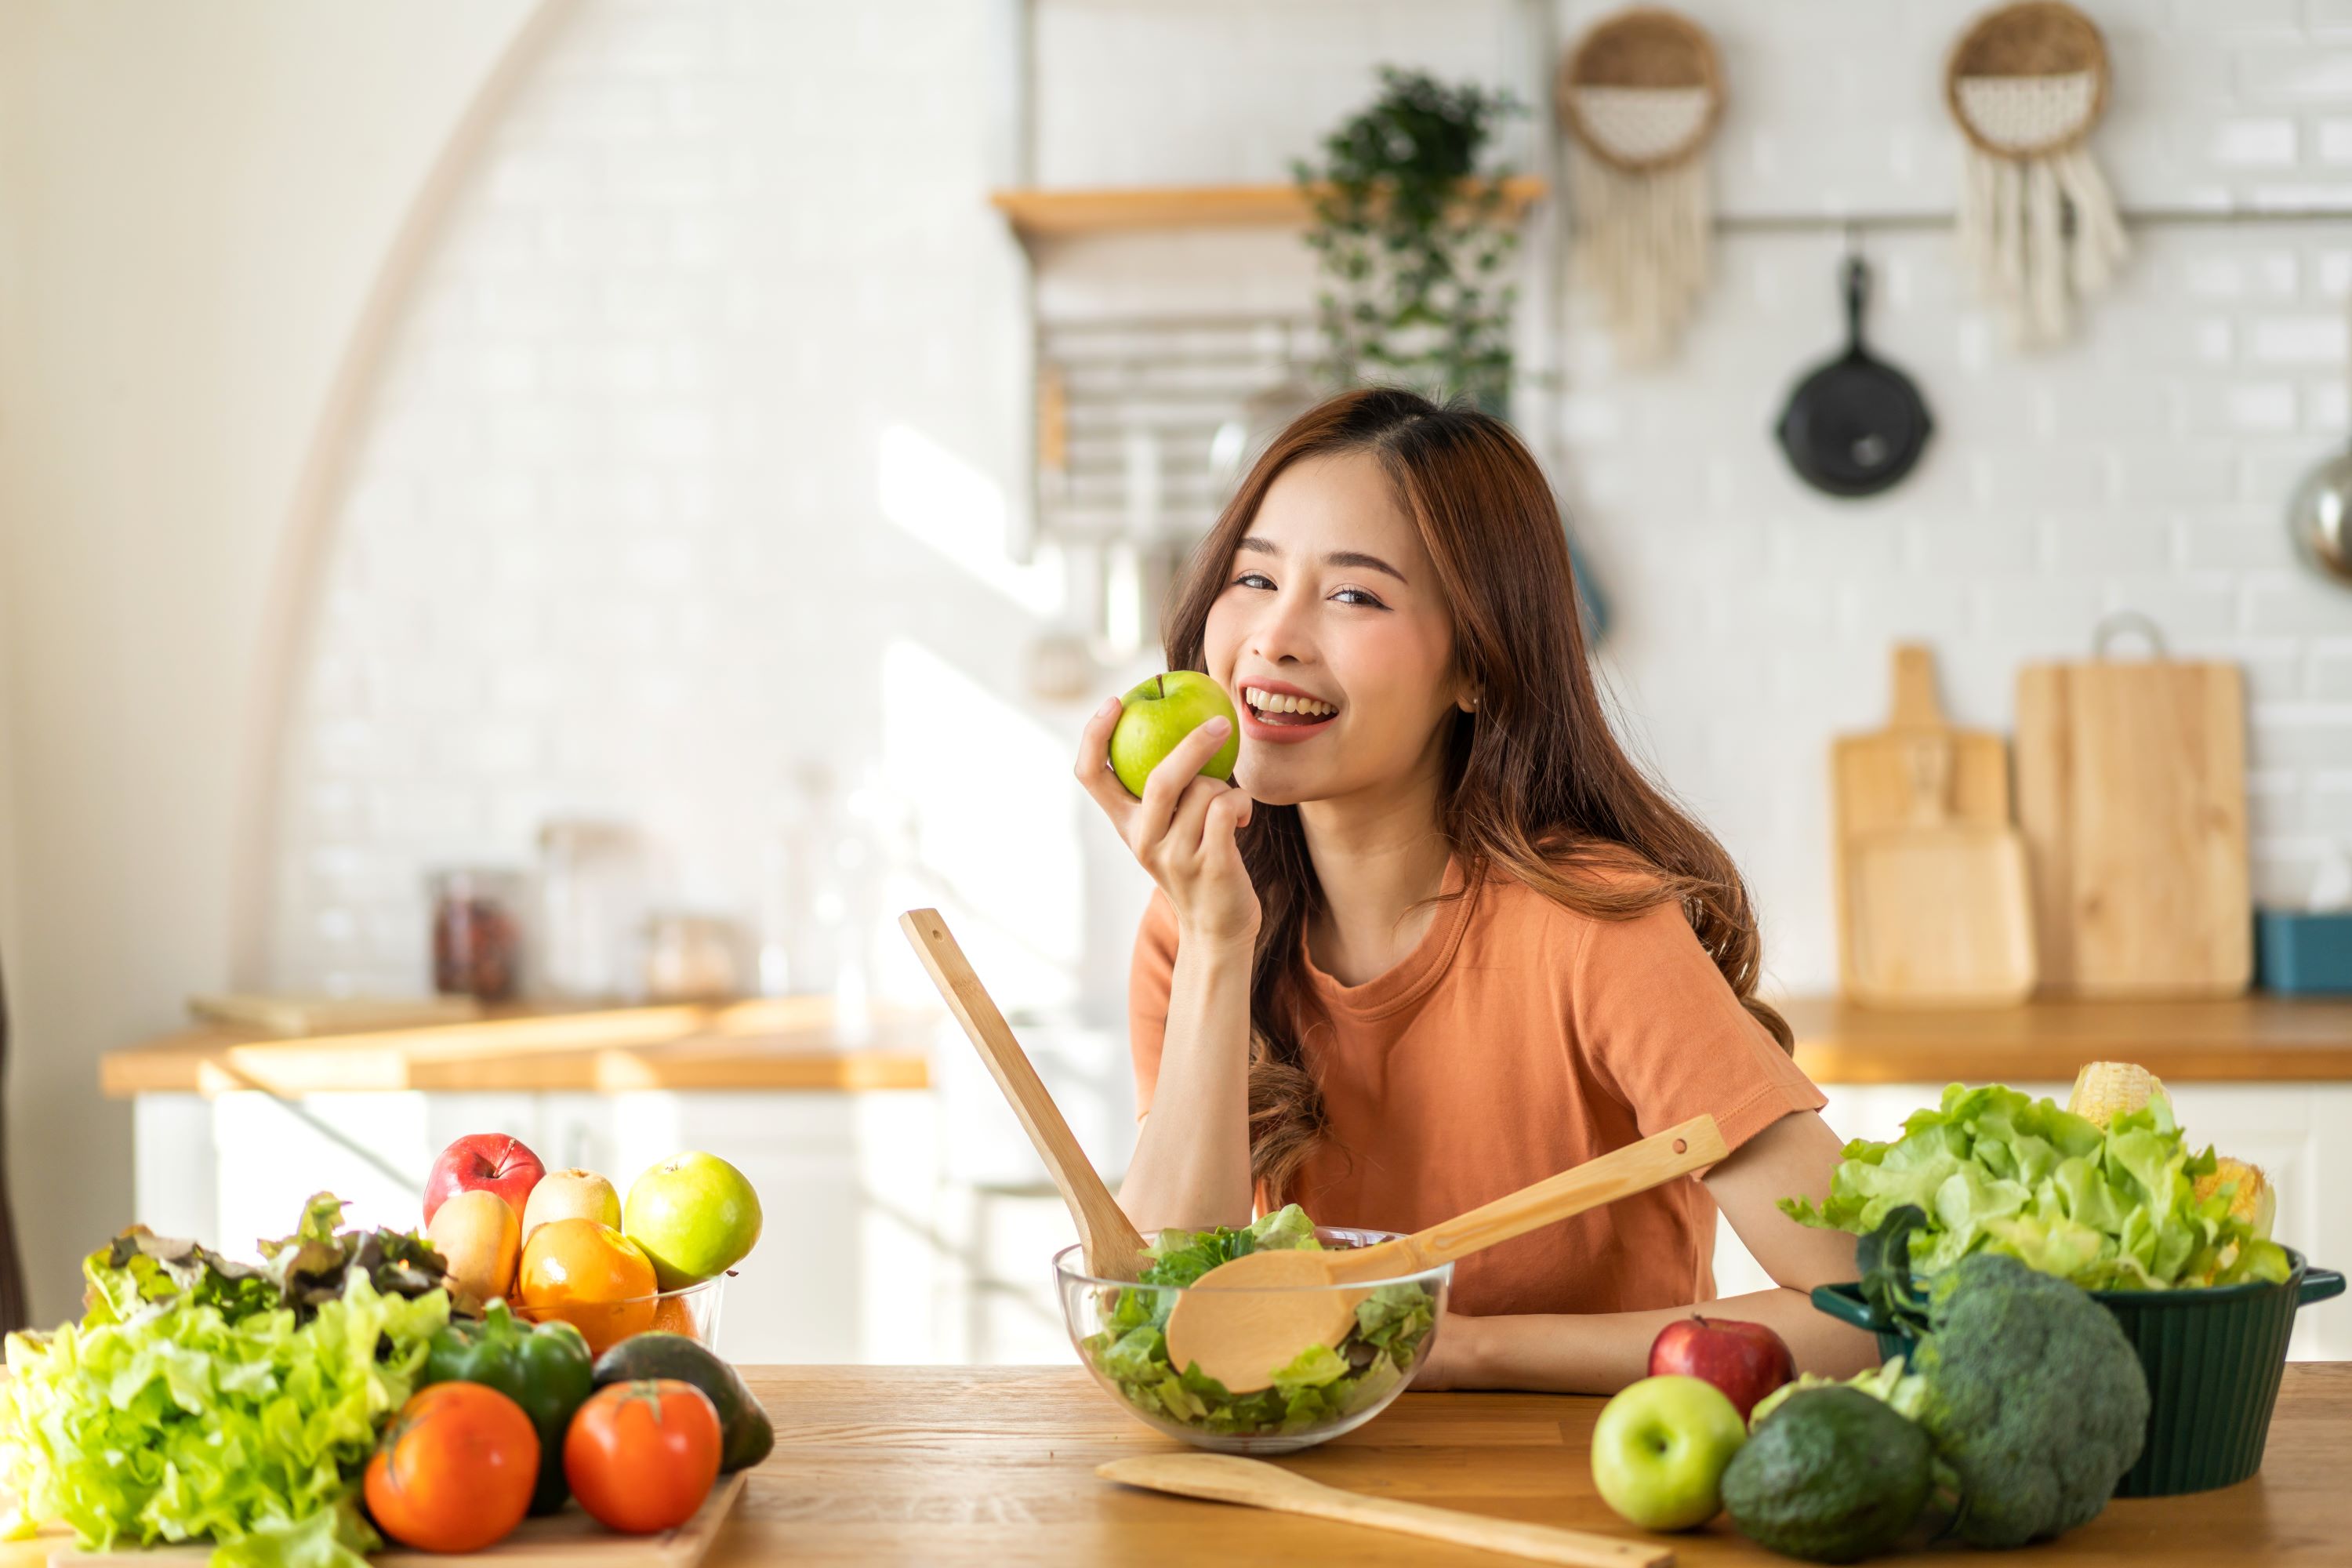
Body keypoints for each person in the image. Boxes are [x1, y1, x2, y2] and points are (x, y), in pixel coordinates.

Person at [1072, 387, 1875, 1392]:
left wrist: (1460, 1348)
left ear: (1480, 667)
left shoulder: (1596, 927)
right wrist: (1216, 944)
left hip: (1581, 1502)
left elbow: (1870, 1308)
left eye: (1354, 594)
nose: (1273, 638)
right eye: (1254, 577)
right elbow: (1165, 1316)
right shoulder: (1200, 919)